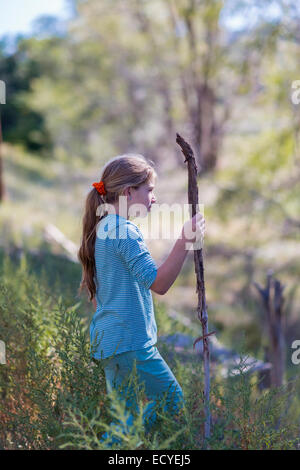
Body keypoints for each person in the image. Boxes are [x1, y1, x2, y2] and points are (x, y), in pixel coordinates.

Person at [78, 153, 205, 445]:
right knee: (172, 400)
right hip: (131, 343)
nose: (154, 198)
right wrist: (185, 241)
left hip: (109, 343)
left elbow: (100, 297)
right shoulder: (123, 231)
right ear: (127, 192)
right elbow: (159, 283)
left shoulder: (103, 229)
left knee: (127, 423)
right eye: (149, 190)